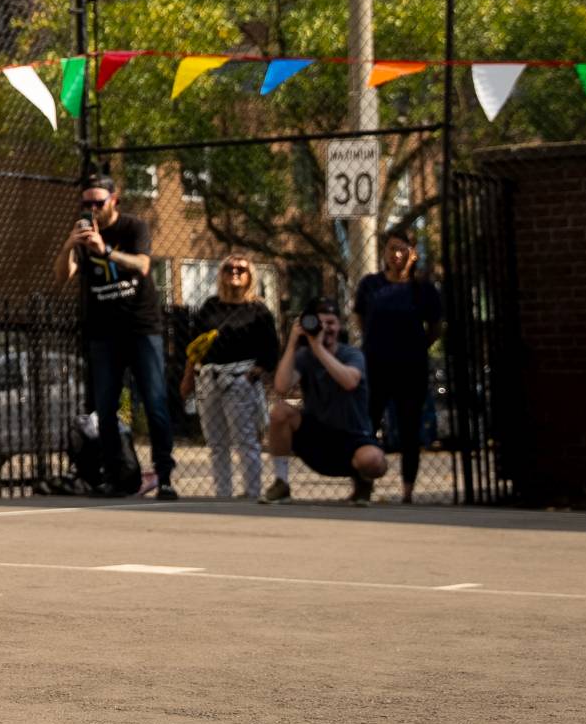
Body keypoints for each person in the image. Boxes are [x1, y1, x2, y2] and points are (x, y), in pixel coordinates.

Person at [56, 175, 176, 499]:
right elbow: (62, 275)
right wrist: (70, 244)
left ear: (114, 200)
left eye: (99, 202)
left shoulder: (133, 227)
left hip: (140, 328)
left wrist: (106, 250)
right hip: (103, 333)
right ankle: (115, 478)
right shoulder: (83, 236)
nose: (93, 209)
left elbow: (143, 265)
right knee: (105, 409)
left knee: (155, 403)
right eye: (87, 204)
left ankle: (164, 476)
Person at [263, 300, 388, 504]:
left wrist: (318, 347)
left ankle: (363, 481)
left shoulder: (352, 354)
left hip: (352, 438)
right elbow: (281, 387)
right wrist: (293, 342)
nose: (325, 328)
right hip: (318, 439)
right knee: (279, 412)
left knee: (374, 461)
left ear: (339, 326)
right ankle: (281, 482)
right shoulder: (304, 356)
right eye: (319, 323)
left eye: (330, 323)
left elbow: (349, 382)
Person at [353, 230, 445, 503]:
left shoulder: (423, 289)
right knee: (366, 424)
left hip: (410, 367)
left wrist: (417, 346)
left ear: (413, 253)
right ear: (384, 253)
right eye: (391, 249)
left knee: (409, 428)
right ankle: (362, 486)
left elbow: (435, 327)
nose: (396, 255)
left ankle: (407, 491)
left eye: (402, 249)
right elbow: (360, 317)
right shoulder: (371, 285)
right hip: (376, 365)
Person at [181, 254, 278, 500]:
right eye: (229, 268)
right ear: (221, 274)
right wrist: (188, 377)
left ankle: (252, 491)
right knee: (216, 442)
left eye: (241, 269)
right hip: (209, 378)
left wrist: (251, 376)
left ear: (249, 277)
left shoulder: (258, 309)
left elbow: (271, 351)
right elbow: (194, 346)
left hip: (239, 379)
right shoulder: (210, 306)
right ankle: (223, 493)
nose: (234, 272)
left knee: (246, 440)